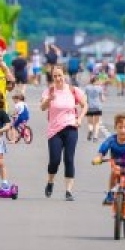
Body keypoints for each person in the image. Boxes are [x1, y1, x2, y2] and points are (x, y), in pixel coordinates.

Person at [41, 64, 86, 200]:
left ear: (64, 75)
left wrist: (80, 119)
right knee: (54, 160)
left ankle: (68, 191)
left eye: (60, 75)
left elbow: (85, 105)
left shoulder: (73, 90)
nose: (57, 78)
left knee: (69, 159)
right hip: (54, 130)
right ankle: (50, 182)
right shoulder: (48, 91)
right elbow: (42, 107)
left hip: (71, 127)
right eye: (55, 76)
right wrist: (48, 100)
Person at [83, 74, 105, 141]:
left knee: (90, 122)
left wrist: (84, 104)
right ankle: (95, 137)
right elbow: (102, 99)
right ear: (97, 80)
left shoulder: (87, 87)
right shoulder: (100, 88)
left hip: (89, 107)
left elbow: (85, 98)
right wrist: (103, 99)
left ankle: (90, 130)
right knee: (97, 122)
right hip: (97, 107)